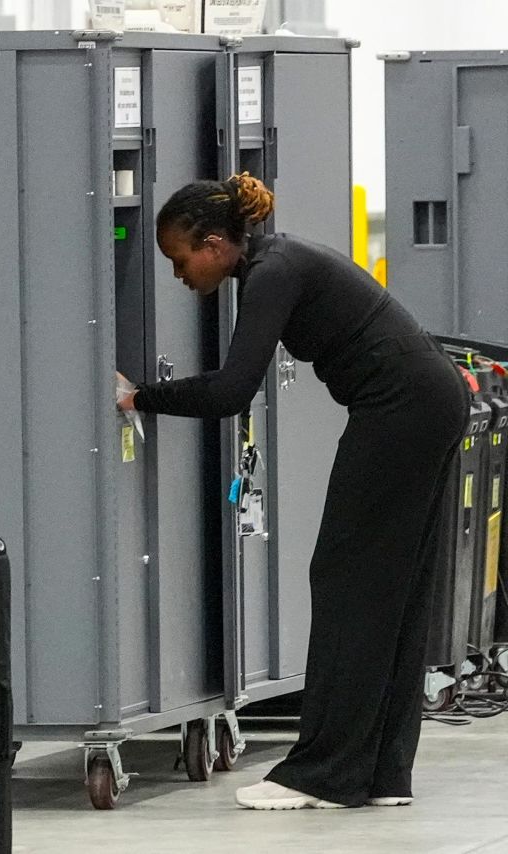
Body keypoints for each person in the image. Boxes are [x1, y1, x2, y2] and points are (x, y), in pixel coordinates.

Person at [117, 173, 469, 810]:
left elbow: (231, 391)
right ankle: (383, 774)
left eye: (180, 258)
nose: (178, 274)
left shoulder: (272, 272)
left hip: (401, 405)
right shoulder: (279, 259)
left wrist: (139, 395)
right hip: (429, 398)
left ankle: (324, 775)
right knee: (394, 588)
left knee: (346, 579)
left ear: (217, 242)